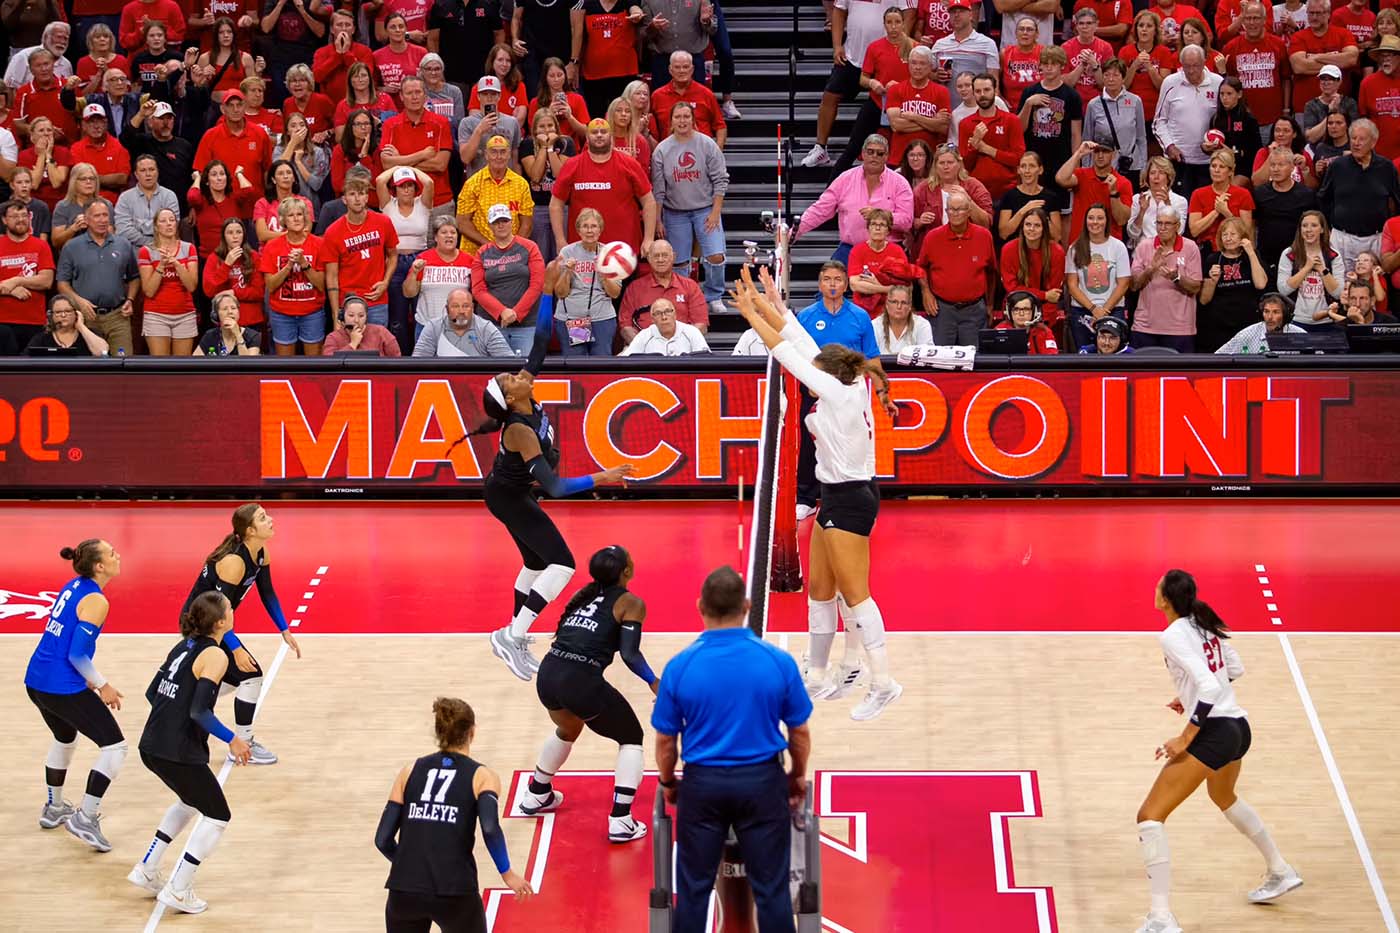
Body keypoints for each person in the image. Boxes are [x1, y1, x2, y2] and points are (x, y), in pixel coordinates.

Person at [731, 266, 899, 720]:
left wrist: (750, 315)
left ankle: (883, 682)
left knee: (856, 594)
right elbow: (800, 341)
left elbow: (789, 355)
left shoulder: (842, 393)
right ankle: (820, 675)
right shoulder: (842, 382)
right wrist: (770, 303)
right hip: (833, 495)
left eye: (816, 370)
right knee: (820, 593)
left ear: (829, 373)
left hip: (851, 498)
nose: (812, 374)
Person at [1135, 569, 1302, 933]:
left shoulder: (1172, 634)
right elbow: (1234, 669)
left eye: (1157, 586)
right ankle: (1280, 870)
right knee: (1223, 795)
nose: (1154, 589)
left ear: (1165, 599)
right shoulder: (1202, 621)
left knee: (1149, 816)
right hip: (1238, 728)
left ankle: (1161, 919)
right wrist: (1188, 697)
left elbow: (1209, 686)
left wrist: (1185, 737)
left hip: (1215, 732)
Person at [652, 565, 813, 933]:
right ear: (746, 605)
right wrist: (796, 776)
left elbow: (665, 741)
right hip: (761, 783)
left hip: (703, 786)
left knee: (693, 891)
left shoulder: (679, 667)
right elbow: (799, 732)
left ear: (699, 606)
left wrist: (667, 781)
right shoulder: (778, 662)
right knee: (772, 890)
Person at [479, 329, 634, 679]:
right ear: (509, 398)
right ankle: (513, 635)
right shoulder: (519, 430)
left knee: (535, 563)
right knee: (562, 564)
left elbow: (540, 341)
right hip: (507, 497)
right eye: (510, 379)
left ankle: (514, 636)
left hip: (512, 493)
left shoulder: (523, 392)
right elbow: (556, 487)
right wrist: (602, 477)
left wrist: (549, 289)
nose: (519, 375)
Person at [520, 545, 657, 842]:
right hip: (578, 680)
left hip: (549, 675)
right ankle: (621, 819)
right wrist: (653, 681)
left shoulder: (582, 595)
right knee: (631, 737)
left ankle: (537, 793)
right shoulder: (630, 603)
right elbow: (630, 655)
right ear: (627, 571)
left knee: (567, 727)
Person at [125, 590, 250, 914]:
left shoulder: (183, 646)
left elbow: (154, 692)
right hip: (177, 749)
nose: (232, 610)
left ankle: (147, 867)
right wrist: (232, 739)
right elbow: (199, 712)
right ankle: (179, 889)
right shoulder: (216, 656)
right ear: (221, 621)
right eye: (228, 608)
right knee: (218, 815)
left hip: (152, 744)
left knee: (188, 801)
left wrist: (172, 716)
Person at [376, 697, 532, 932]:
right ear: (472, 732)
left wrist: (408, 865)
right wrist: (507, 873)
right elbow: (489, 828)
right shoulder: (483, 776)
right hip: (454, 889)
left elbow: (382, 840)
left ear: (439, 731)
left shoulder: (409, 771)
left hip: (404, 889)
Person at [23, 540, 128, 851]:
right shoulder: (97, 601)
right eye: (111, 553)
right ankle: (86, 816)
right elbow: (77, 655)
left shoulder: (74, 585)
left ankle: (54, 807)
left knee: (65, 737)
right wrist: (102, 684)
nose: (117, 555)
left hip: (36, 680)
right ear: (99, 566)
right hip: (61, 685)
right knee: (115, 747)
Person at [181, 504, 301, 766]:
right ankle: (242, 744)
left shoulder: (260, 553)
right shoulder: (234, 562)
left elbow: (267, 592)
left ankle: (185, 700)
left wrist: (284, 628)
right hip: (200, 624)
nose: (270, 519)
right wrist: (235, 647)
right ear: (250, 530)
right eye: (262, 518)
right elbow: (216, 615)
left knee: (236, 679)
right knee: (251, 675)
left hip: (217, 622)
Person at [801, 0, 916, 169]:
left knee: (883, 106)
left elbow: (910, 15)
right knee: (830, 95)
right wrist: (837, 45)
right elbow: (839, 10)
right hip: (852, 55)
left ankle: (894, 156)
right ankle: (820, 148)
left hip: (884, 57)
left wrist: (895, 48)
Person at [652, 100, 729, 316]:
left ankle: (713, 295)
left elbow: (721, 180)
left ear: (693, 120)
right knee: (679, 260)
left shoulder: (707, 144)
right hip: (675, 212)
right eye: (678, 117)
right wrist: (658, 219)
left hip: (705, 208)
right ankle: (684, 297)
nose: (682, 121)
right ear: (671, 121)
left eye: (686, 116)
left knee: (715, 255)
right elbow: (658, 190)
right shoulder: (662, 150)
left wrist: (715, 212)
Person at [791, 134, 913, 267]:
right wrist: (794, 232)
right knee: (829, 282)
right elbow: (820, 209)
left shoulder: (900, 183)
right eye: (870, 152)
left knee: (898, 285)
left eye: (880, 153)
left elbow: (906, 221)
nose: (874, 157)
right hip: (849, 249)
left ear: (887, 156)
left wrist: (880, 215)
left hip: (888, 249)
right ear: (863, 154)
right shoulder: (845, 179)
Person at [550, 118, 656, 260]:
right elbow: (556, 205)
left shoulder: (629, 164)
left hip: (623, 250)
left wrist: (648, 238)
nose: (599, 135)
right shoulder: (572, 165)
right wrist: (560, 240)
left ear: (611, 136)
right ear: (587, 138)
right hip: (583, 251)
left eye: (603, 132)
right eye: (594, 132)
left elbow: (648, 201)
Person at [55, 198, 139, 356]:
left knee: (124, 364)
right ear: (86, 220)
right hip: (86, 317)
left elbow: (134, 277)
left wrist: (130, 299)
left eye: (105, 215)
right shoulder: (71, 247)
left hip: (118, 316)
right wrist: (79, 301)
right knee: (87, 368)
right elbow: (62, 283)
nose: (102, 220)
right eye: (97, 216)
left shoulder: (123, 244)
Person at [1318, 118, 1400, 274]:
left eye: (1362, 139)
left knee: (1374, 287)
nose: (1356, 143)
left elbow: (1397, 200)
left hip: (1375, 239)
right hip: (1341, 238)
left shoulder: (1386, 167)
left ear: (1373, 142)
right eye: (1353, 138)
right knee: (1340, 286)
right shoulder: (1338, 166)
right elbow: (1323, 198)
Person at [917, 191, 997, 345]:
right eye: (951, 209)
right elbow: (920, 268)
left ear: (968, 212)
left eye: (960, 209)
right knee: (941, 359)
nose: (955, 213)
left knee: (975, 360)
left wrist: (990, 304)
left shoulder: (984, 236)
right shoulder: (933, 237)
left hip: (974, 310)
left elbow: (991, 272)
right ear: (946, 211)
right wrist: (925, 291)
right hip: (942, 310)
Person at [321, 174, 399, 329]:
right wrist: (336, 314)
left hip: (377, 300)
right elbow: (331, 276)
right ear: (344, 199)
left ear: (367, 197)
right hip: (349, 303)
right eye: (352, 194)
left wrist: (385, 282)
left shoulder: (383, 222)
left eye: (361, 193)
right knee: (350, 350)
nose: (357, 198)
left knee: (377, 348)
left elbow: (393, 255)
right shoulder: (333, 232)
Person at [468, 207, 546, 355]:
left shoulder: (530, 247)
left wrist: (515, 313)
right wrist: (502, 311)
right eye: (496, 222)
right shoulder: (482, 252)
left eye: (504, 221)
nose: (501, 225)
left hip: (526, 325)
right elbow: (478, 290)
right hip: (491, 325)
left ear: (512, 223)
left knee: (524, 372)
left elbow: (537, 284)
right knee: (494, 373)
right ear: (490, 226)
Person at [547, 208, 620, 356]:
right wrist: (567, 272)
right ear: (578, 230)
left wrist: (603, 272)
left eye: (594, 226)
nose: (589, 230)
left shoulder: (609, 254)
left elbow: (615, 293)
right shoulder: (567, 252)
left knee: (600, 366)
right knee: (576, 367)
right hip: (572, 319)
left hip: (601, 319)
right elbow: (560, 293)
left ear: (600, 230)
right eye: (585, 226)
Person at [381, 76, 454, 222]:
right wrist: (422, 154)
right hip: (402, 205)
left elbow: (440, 165)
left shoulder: (441, 123)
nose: (414, 97)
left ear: (425, 95)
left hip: (438, 202)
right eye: (409, 93)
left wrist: (400, 160)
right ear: (401, 96)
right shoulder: (390, 125)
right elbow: (386, 165)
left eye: (418, 92)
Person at [261, 196, 327, 355]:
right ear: (283, 220)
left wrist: (304, 264)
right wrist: (288, 266)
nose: (296, 219)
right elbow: (270, 285)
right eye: (291, 215)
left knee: (314, 365)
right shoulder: (272, 246)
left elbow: (321, 284)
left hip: (312, 312)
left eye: (300, 214)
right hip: (282, 314)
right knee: (285, 365)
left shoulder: (319, 244)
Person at [1130, 207, 1202, 350]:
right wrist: (1150, 269)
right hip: (1144, 328)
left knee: (1179, 373)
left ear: (1178, 226)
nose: (1162, 228)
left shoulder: (1190, 247)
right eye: (1159, 223)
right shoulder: (1144, 246)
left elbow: (1195, 287)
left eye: (1167, 224)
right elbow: (1133, 285)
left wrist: (1176, 277)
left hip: (1179, 329)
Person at [1155, 45, 1224, 195]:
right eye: (1187, 66)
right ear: (1181, 64)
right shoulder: (1170, 83)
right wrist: (1169, 146)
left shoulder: (1218, 83)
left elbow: (1225, 119)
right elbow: (1159, 121)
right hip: (1179, 162)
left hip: (1210, 163)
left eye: (1196, 66)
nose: (1191, 71)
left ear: (1205, 62)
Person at [1223, 2, 1290, 145]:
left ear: (1264, 20)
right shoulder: (1230, 47)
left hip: (1272, 120)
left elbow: (1285, 79)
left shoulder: (1278, 45)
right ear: (1242, 20)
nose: (1252, 23)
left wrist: (1286, 109)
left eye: (1256, 18)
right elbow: (1228, 87)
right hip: (1242, 120)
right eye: (1248, 18)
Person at [1197, 218, 1268, 350]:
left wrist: (1251, 252)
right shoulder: (1212, 259)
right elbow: (1204, 300)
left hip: (1247, 323)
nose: (1228, 238)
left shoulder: (1251, 256)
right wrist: (1213, 281)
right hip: (1220, 324)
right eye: (1225, 235)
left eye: (1233, 234)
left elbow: (1261, 284)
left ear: (1242, 236)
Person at [617, 238, 708, 342]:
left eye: (665, 255)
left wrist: (681, 344)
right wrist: (642, 345)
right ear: (649, 259)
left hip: (683, 350)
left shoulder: (690, 286)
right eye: (656, 256)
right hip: (644, 351)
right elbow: (625, 326)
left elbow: (701, 324)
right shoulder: (634, 288)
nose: (660, 260)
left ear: (673, 257)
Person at [138, 207, 200, 356]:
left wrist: (177, 264)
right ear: (156, 226)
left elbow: (191, 286)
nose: (169, 224)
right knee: (160, 367)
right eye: (163, 221)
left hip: (185, 314)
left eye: (172, 220)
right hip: (156, 315)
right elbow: (149, 291)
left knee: (182, 367)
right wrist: (161, 265)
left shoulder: (189, 248)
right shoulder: (146, 251)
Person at [457, 134, 531, 254]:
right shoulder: (472, 184)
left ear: (509, 155)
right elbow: (462, 223)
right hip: (477, 253)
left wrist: (512, 247)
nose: (498, 157)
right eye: (494, 152)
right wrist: (488, 246)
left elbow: (526, 223)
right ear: (486, 155)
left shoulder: (521, 184)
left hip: (512, 253)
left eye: (503, 152)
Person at [404, 215, 474, 341]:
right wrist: (414, 273)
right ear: (435, 237)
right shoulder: (423, 259)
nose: (449, 236)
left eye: (453, 232)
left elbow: (476, 294)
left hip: (460, 329)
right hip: (427, 328)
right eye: (444, 232)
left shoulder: (469, 261)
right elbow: (409, 293)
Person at [519, 109, 575, 264]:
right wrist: (543, 147)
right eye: (542, 126)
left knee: (562, 254)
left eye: (550, 125)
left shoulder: (566, 143)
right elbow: (535, 176)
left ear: (556, 127)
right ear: (534, 129)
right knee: (540, 256)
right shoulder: (528, 144)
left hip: (562, 207)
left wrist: (550, 148)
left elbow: (559, 175)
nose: (547, 130)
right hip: (538, 207)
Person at [959, 71, 1026, 200]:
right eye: (978, 91)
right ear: (973, 93)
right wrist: (975, 144)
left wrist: (986, 149)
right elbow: (965, 165)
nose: (982, 95)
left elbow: (1018, 158)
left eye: (987, 90)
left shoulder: (1011, 120)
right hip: (977, 192)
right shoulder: (965, 124)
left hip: (1008, 191)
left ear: (995, 91)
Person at [1055, 133, 1133, 243]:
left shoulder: (1123, 183)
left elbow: (1121, 220)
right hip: (1081, 243)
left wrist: (1114, 193)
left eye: (1105, 151)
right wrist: (1079, 153)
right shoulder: (1081, 175)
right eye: (1097, 151)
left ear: (1113, 154)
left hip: (1109, 247)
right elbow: (1060, 179)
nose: (1100, 155)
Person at [1253, 146, 1318, 276]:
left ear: (1292, 167)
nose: (1276, 169)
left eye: (1281, 165)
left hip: (1297, 258)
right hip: (1266, 258)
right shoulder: (1259, 193)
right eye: (1272, 165)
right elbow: (1252, 225)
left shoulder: (1306, 195)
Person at [0, 197, 55, 349]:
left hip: (34, 323)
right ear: (4, 220)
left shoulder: (41, 246)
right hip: (2, 323)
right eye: (15, 216)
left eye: (24, 216)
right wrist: (10, 291)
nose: (21, 220)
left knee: (32, 371)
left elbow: (46, 281)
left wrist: (16, 281)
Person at [885, 46, 954, 167]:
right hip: (899, 159)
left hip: (930, 160)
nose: (917, 67)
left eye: (922, 63)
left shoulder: (941, 91)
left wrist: (914, 117)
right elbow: (897, 125)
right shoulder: (895, 90)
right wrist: (932, 121)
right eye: (914, 63)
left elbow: (943, 128)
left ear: (930, 67)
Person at [1287, 0, 1358, 117]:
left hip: (1339, 108)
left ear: (1328, 14)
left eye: (1318, 13)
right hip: (1305, 109)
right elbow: (1299, 67)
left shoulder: (1343, 34)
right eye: (1311, 13)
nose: (1314, 17)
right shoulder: (1298, 37)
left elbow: (1351, 59)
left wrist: (1317, 57)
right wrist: (1337, 60)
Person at [1277, 208, 1344, 327]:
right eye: (1304, 226)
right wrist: (1306, 268)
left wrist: (1322, 270)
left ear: (1322, 229)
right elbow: (1283, 289)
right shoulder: (1289, 254)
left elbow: (1338, 293)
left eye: (1314, 225)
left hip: (1327, 321)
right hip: (1296, 320)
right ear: (1300, 229)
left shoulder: (1333, 256)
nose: (1308, 230)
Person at [1082, 58, 1148, 177]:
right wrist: (1086, 169)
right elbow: (1087, 139)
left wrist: (1143, 168)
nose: (1111, 79)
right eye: (1107, 75)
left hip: (1132, 165)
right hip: (1104, 167)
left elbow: (1141, 138)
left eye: (1115, 75)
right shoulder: (1093, 105)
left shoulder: (1135, 101)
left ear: (1123, 78)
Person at [1000, 208, 1064, 326]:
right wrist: (1044, 295)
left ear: (1044, 228)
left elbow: (1054, 295)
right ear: (1022, 227)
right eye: (1028, 224)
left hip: (1046, 312)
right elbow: (1012, 289)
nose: (1031, 229)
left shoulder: (1056, 252)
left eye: (1037, 225)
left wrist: (1040, 320)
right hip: (1015, 310)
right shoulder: (1008, 250)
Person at [412, 287, 516, 358]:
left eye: (466, 306)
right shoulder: (433, 327)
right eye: (455, 306)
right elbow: (418, 363)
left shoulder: (486, 328)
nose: (461, 311)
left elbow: (507, 362)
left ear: (472, 308)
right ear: (447, 309)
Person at [848, 208, 913, 319]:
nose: (877, 228)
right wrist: (886, 288)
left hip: (890, 310)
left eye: (882, 225)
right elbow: (855, 285)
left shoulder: (897, 251)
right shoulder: (857, 250)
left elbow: (907, 287)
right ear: (868, 228)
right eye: (873, 224)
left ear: (888, 230)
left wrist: (872, 284)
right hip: (863, 311)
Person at [1187, 149, 1255, 250]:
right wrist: (1216, 211)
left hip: (1235, 250)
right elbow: (1194, 231)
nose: (1216, 170)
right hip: (1207, 249)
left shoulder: (1243, 194)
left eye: (1222, 167)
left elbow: (1247, 233)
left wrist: (1227, 213)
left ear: (1230, 171)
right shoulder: (1198, 194)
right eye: (1213, 166)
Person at [929, 0, 999, 97]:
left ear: (970, 15)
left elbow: (994, 81)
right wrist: (936, 76)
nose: (956, 15)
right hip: (947, 106)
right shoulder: (940, 45)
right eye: (953, 12)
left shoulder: (987, 44)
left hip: (977, 106)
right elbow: (926, 74)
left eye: (961, 11)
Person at [69, 102, 131, 204]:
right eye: (91, 122)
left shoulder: (118, 146)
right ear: (83, 126)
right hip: (85, 203)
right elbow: (78, 179)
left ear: (106, 123)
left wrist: (91, 178)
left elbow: (122, 179)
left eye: (99, 121)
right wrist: (109, 179)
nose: (96, 126)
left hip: (113, 204)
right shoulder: (76, 149)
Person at [997, 150, 1063, 242]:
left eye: (1031, 166)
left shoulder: (1051, 197)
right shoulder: (1009, 196)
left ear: (1040, 170)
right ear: (1018, 170)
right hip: (1017, 248)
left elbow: (1057, 236)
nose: (1027, 171)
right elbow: (1003, 233)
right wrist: (1024, 210)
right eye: (1023, 166)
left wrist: (1042, 217)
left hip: (1043, 249)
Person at [116, 153, 179, 249]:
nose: (148, 174)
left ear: (158, 172)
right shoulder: (125, 198)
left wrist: (138, 224)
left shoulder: (169, 196)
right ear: (136, 175)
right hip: (134, 250)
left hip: (165, 249)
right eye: (143, 170)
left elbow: (171, 226)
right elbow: (123, 230)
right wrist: (150, 241)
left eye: (151, 169)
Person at [1120, 11, 1174, 121]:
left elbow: (1162, 87)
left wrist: (1149, 67)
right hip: (1130, 108)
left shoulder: (1164, 52)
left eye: (1149, 26)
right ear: (1136, 29)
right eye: (1141, 25)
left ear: (1155, 31)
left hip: (1156, 110)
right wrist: (1134, 65)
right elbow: (1123, 86)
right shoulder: (1125, 51)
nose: (1144, 29)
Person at [1208, 77, 1262, 185]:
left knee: (1230, 188)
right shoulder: (1216, 119)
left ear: (1239, 94)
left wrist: (1233, 153)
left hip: (1243, 168)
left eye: (1229, 94)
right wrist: (1206, 148)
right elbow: (1212, 148)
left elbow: (1256, 150)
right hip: (1221, 167)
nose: (1225, 98)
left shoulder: (1248, 119)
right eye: (1222, 94)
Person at [1126, 159, 1189, 251]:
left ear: (1168, 177)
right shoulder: (1138, 199)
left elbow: (1179, 231)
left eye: (1161, 173)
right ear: (1147, 177)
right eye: (1152, 173)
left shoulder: (1180, 201)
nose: (1156, 177)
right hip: (1143, 252)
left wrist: (1168, 205)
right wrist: (1142, 211)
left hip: (1169, 252)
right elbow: (1132, 234)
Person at [1215, 290, 1306, 351]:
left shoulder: (1300, 336)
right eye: (1266, 311)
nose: (1270, 317)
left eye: (1275, 312)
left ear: (1285, 315)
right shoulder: (1246, 335)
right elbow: (1218, 357)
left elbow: (1318, 361)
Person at [1063, 8, 1115, 108]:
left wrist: (1095, 65)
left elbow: (1107, 85)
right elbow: (1066, 84)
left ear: (1096, 25)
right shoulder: (1065, 48)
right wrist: (1082, 65)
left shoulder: (1106, 48)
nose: (1084, 27)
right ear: (1076, 26)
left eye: (1089, 23)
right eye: (1081, 23)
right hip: (1073, 103)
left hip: (1100, 103)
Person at [620, 297, 711, 355]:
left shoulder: (692, 332)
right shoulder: (644, 336)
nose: (664, 317)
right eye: (658, 313)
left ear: (675, 314)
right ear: (652, 319)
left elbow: (705, 359)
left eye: (668, 311)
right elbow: (627, 360)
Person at [25, 293, 110, 355]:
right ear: (51, 315)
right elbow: (25, 361)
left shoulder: (90, 334)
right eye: (58, 312)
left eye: (68, 311)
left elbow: (102, 353)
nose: (63, 315)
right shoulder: (41, 338)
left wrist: (81, 326)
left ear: (76, 313)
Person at [1360, 36, 1400, 161]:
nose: (1386, 59)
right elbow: (1363, 120)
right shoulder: (1368, 83)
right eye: (1382, 55)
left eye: (1390, 55)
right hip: (1378, 156)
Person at [323, 293, 402, 355]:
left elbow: (396, 359)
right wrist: (353, 344)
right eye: (351, 315)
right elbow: (329, 365)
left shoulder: (381, 332)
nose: (356, 320)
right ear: (342, 316)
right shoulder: (333, 338)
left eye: (361, 316)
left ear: (367, 317)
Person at [196, 290, 261, 356]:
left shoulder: (253, 336)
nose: (230, 312)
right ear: (216, 315)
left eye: (233, 308)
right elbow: (194, 362)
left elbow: (249, 365)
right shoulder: (210, 336)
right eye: (225, 309)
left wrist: (238, 335)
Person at [872, 284, 932, 353]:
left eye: (903, 303)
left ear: (910, 306)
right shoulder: (875, 325)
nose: (899, 307)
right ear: (887, 305)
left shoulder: (922, 325)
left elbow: (927, 356)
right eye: (894, 302)